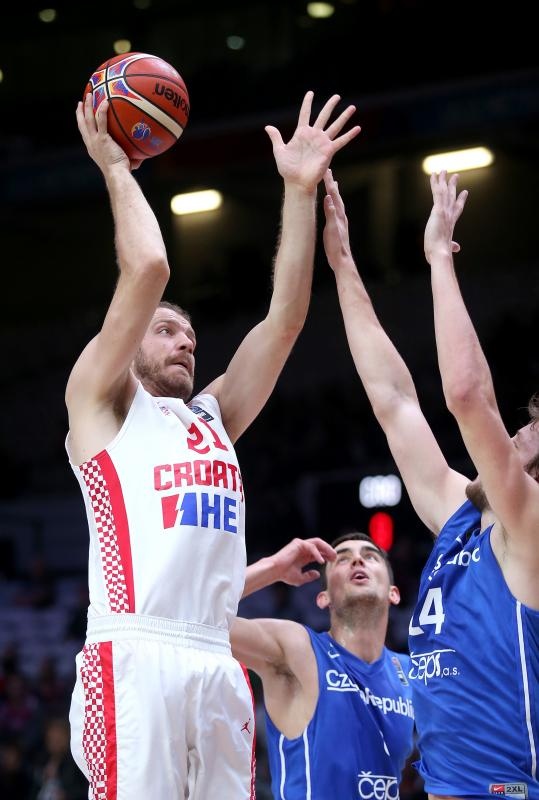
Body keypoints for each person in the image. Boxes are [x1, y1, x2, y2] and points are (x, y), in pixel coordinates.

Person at [66, 90, 360, 800]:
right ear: (127, 339)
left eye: (190, 332)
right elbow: (148, 270)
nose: (186, 338)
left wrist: (296, 190)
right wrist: (114, 165)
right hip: (133, 656)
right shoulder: (100, 404)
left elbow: (284, 321)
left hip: (213, 657)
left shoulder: (211, 419)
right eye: (166, 329)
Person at [322, 166, 539, 799]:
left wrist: (439, 258)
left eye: (533, 426)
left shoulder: (528, 524)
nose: (522, 430)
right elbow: (394, 402)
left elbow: (468, 397)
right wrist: (343, 268)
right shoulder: (462, 516)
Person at [232, 533, 415, 799]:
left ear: (393, 594)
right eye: (342, 559)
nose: (357, 561)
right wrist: (271, 568)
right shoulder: (298, 649)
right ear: (323, 598)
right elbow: (190, 615)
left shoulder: (411, 672)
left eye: (370, 556)